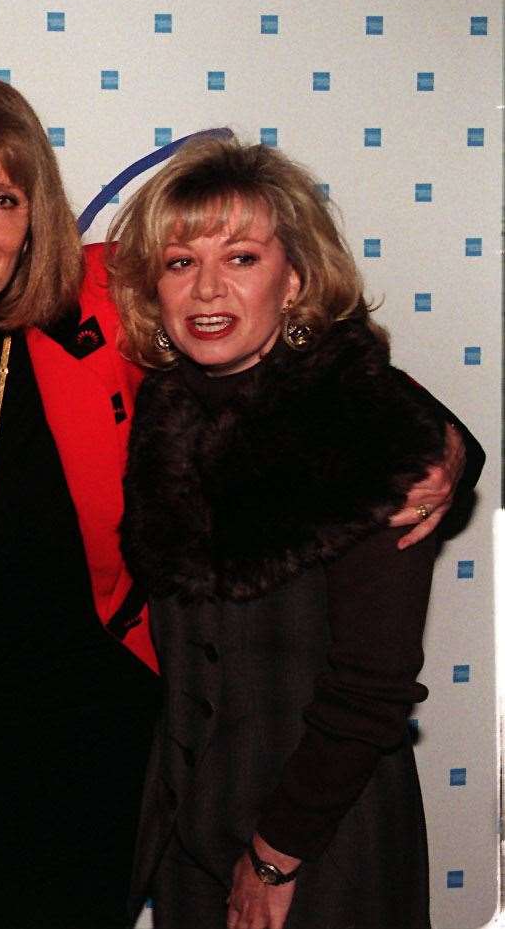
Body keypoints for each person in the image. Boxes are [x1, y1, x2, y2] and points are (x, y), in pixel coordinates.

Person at [0, 73, 468, 928]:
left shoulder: (103, 297)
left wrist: (449, 444)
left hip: (122, 747)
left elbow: (297, 346)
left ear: (35, 217)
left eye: (2, 196)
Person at [113, 137, 462, 929]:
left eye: (240, 257)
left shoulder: (370, 427)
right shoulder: (161, 415)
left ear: (295, 278)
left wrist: (274, 855)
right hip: (190, 842)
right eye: (177, 262)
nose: (206, 287)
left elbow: (371, 688)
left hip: (322, 847)